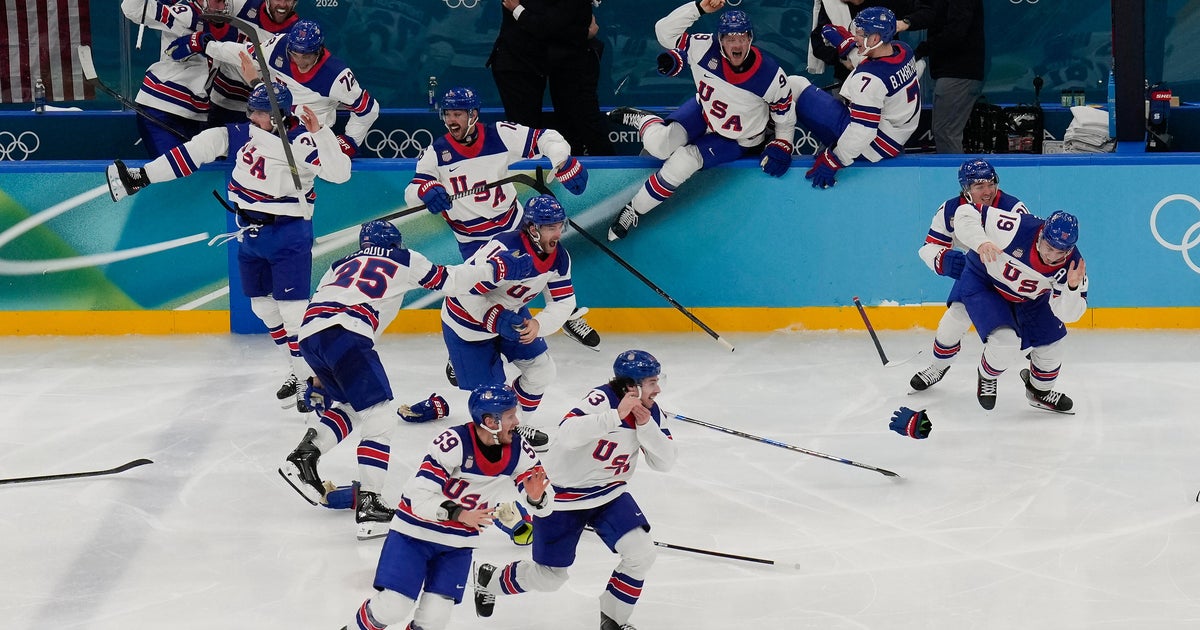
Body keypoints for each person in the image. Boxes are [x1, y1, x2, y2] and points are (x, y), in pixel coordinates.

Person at [278, 220, 533, 539]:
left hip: (311, 336)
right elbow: (450, 280)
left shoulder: (340, 264)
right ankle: (370, 504)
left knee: (350, 407)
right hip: (347, 334)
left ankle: (304, 456)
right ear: (395, 243)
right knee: (380, 415)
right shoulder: (402, 259)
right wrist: (495, 268)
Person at [105, 81, 350, 411]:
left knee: (293, 313)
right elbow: (200, 150)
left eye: (262, 112)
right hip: (248, 231)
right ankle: (138, 179)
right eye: (254, 111)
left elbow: (340, 174)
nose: (254, 118)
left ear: (280, 115)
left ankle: (310, 380)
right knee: (262, 307)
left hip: (287, 233)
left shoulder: (302, 141)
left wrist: (321, 134)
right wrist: (147, 175)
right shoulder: (244, 134)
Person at [472, 349, 676, 630]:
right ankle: (490, 579)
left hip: (610, 495)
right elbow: (566, 434)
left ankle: (614, 620)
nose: (658, 388)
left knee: (641, 554)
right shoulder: (601, 399)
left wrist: (645, 426)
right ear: (633, 386)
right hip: (561, 497)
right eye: (652, 382)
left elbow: (665, 462)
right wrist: (615, 416)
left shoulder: (653, 414)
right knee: (550, 577)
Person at [338, 384, 552, 630]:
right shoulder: (454, 442)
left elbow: (544, 502)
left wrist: (537, 499)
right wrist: (460, 514)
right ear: (490, 422)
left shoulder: (519, 449)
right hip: (414, 533)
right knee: (393, 606)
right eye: (510, 416)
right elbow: (418, 497)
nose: (517, 421)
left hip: (458, 545)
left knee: (435, 619)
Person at [407, 86, 599, 353]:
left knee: (546, 269)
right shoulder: (436, 153)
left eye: (458, 114)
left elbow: (547, 138)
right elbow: (412, 192)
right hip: (475, 241)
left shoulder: (500, 134)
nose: (451, 120)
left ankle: (566, 315)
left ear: (473, 114)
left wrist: (562, 160)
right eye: (447, 114)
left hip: (515, 228)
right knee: (484, 296)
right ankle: (462, 348)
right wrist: (425, 191)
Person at [606, 0, 796, 241]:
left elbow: (785, 114)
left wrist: (783, 143)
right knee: (659, 146)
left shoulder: (770, 74)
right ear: (720, 39)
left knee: (683, 162)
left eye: (742, 37)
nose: (736, 43)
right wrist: (698, 8)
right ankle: (644, 121)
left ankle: (634, 209)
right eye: (729, 37)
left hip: (737, 137)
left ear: (750, 38)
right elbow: (664, 32)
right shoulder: (703, 46)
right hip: (703, 112)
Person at [440, 195, 578, 416]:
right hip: (467, 324)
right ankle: (459, 360)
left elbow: (563, 301)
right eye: (551, 228)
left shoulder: (560, 257)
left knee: (541, 371)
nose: (558, 234)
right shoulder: (503, 248)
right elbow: (461, 288)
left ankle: (518, 426)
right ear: (533, 229)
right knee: (491, 397)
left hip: (512, 315)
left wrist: (538, 324)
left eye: (560, 226)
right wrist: (493, 317)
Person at [951, 207, 1087, 412]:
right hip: (987, 283)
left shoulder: (1073, 266)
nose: (1051, 257)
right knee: (1005, 342)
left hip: (1028, 298)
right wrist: (982, 241)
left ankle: (1038, 393)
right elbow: (964, 212)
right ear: (1040, 234)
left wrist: (1072, 289)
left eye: (1060, 252)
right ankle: (987, 376)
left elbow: (1068, 315)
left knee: (1053, 347)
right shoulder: (1015, 227)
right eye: (1049, 247)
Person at [909, 159, 1028, 392]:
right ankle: (938, 366)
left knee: (1019, 336)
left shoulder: (1013, 208)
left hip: (1009, 278)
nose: (987, 191)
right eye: (979, 186)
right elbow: (929, 246)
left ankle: (1034, 381)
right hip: (975, 275)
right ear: (966, 189)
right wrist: (943, 260)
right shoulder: (950, 210)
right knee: (953, 321)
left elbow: (1029, 248)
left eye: (990, 183)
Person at [199, 18, 379, 158]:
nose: (300, 62)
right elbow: (244, 53)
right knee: (222, 141)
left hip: (308, 133)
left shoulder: (337, 76)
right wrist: (208, 46)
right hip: (274, 121)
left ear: (319, 50)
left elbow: (369, 110)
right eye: (295, 55)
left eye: (307, 56)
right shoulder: (279, 45)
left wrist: (349, 141)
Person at [789, 6, 920, 190]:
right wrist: (850, 47)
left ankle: (770, 139)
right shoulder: (903, 51)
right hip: (895, 136)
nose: (855, 37)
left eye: (860, 34)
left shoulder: (869, 80)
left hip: (873, 144)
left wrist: (835, 159)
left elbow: (863, 130)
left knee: (794, 86)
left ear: (875, 38)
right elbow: (879, 63)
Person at [487, 0, 614, 156]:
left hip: (570, 61)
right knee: (529, 130)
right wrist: (582, 33)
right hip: (520, 64)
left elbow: (550, 24)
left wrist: (517, 9)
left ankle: (610, 173)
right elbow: (546, 25)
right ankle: (539, 172)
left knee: (583, 120)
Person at [120, 0, 244, 157]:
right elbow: (131, 9)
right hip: (163, 108)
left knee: (198, 176)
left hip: (197, 114)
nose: (221, 7)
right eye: (216, 1)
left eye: (222, 1)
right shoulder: (184, 13)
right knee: (175, 174)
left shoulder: (233, 21)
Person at [896, 0, 985, 154]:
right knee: (945, 132)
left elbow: (956, 31)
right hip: (952, 72)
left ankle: (956, 177)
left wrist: (922, 49)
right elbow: (929, 12)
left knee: (946, 132)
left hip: (959, 72)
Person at [205, 0, 302, 128]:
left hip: (258, 113)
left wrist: (208, 46)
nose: (283, 5)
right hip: (218, 99)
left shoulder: (296, 34)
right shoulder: (241, 5)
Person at [808, 0, 914, 85]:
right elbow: (817, 44)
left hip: (889, 74)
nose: (855, 38)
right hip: (848, 78)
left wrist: (905, 23)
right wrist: (841, 58)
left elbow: (926, 12)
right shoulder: (831, 4)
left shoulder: (890, 3)